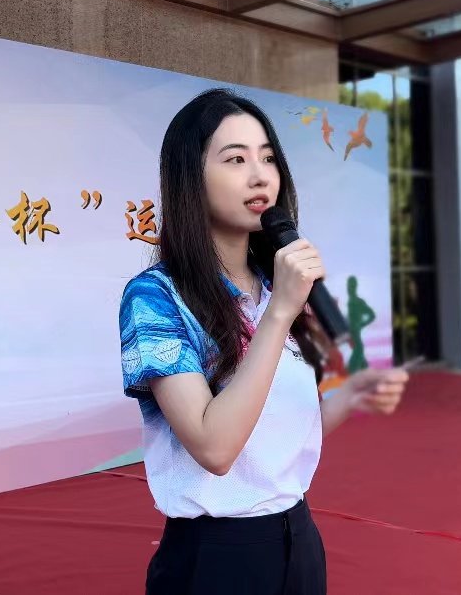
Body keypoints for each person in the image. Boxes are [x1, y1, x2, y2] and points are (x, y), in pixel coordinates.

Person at [119, 88, 410, 594]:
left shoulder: (276, 288)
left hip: (298, 539)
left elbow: (272, 429)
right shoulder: (157, 298)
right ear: (190, 178)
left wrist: (349, 395)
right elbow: (215, 447)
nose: (260, 176)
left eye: (268, 158)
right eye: (236, 159)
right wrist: (279, 314)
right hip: (215, 558)